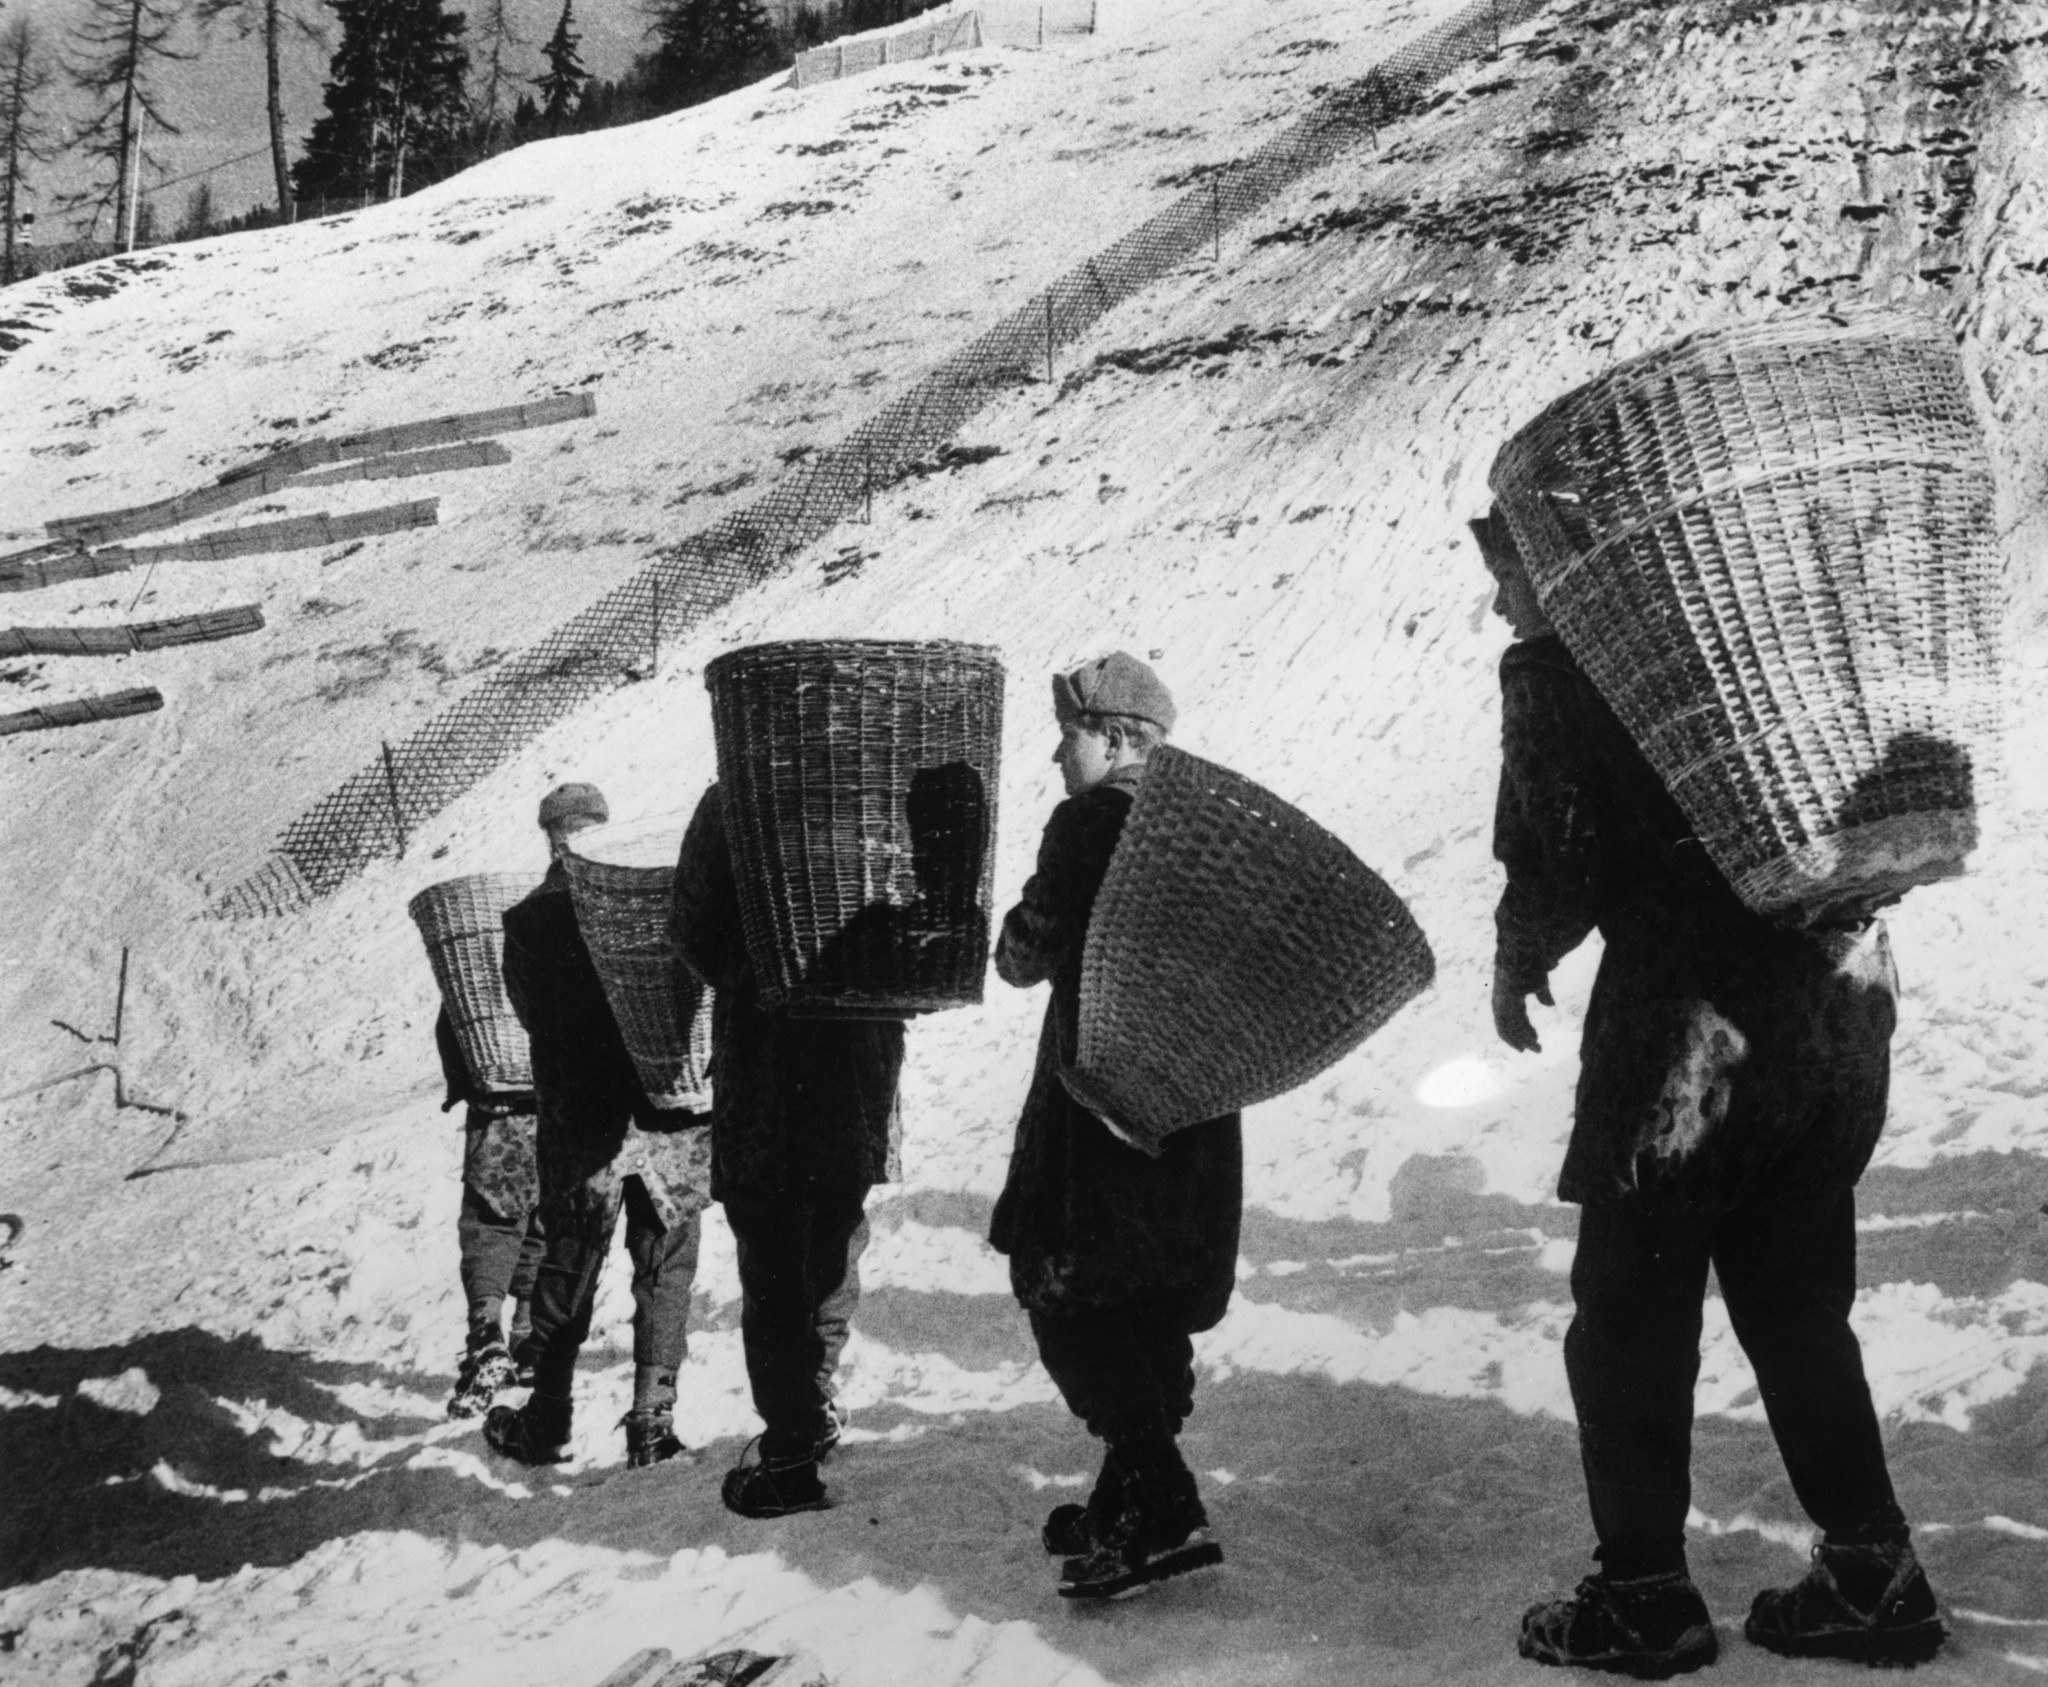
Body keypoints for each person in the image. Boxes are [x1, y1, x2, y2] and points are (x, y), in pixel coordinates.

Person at [1476, 511, 1946, 1676]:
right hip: (1832, 1021)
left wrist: (1515, 952)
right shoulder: (1752, 641)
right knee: (1795, 1307)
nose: (1499, 601)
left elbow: (1562, 850)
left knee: (1629, 1318)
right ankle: (1871, 1571)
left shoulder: (1566, 666)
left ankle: (1641, 1596)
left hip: (1683, 1048)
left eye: (1506, 571)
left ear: (1556, 564)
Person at [991, 652, 1241, 1600]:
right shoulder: (1203, 823)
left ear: (1113, 736)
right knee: (1150, 1294)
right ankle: (1123, 1500)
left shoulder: (1091, 820)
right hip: (1194, 1103)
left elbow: (1025, 952)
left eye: (1069, 736)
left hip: (1100, 1109)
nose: (1059, 756)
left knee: (1073, 1299)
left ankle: (1163, 1503)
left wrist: (1013, 932)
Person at [670, 782, 905, 1518]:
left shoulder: (735, 795)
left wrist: (760, 973)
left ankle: (792, 1452)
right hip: (859, 1059)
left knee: (773, 1255)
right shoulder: (881, 780)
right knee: (833, 1234)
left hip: (768, 1061)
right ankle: (816, 1401)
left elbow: (692, 928)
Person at [484, 782, 713, 1469]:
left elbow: (532, 1017)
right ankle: (653, 1421)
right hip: (667, 1116)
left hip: (583, 1124)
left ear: (551, 838)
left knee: (568, 1262)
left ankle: (548, 1418)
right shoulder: (654, 905)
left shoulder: (531, 920)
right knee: (666, 1261)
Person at [433, 1006, 544, 1420]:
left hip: (498, 1101)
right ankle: (528, 1341)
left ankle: (486, 1334)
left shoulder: (480, 974)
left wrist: (463, 1085)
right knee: (542, 1220)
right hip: (558, 1102)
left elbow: (453, 1021)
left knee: (490, 1223)